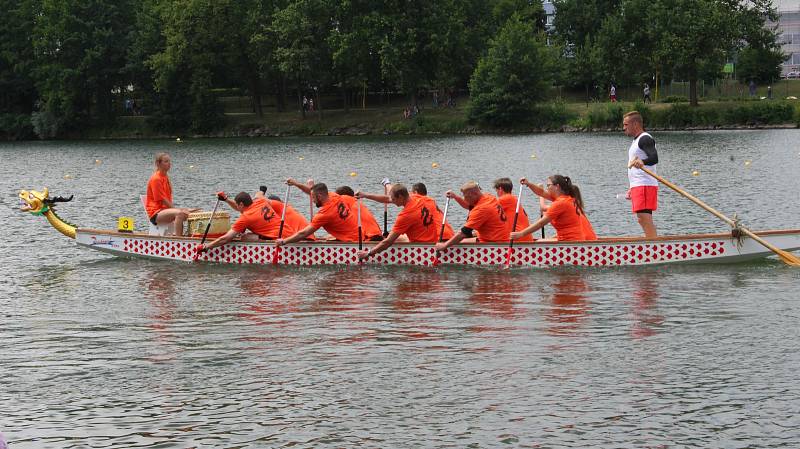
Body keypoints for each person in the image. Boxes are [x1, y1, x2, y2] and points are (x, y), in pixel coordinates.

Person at [357, 184, 455, 260]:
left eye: (394, 199)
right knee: (393, 237)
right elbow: (387, 198)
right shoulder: (421, 198)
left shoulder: (406, 215)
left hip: (422, 250)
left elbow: (388, 242)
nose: (392, 201)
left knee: (388, 238)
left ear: (400, 197)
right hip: (433, 240)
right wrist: (365, 195)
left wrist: (368, 253)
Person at [195, 190, 302, 254]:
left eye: (237, 205)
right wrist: (226, 199)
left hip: (281, 240)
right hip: (292, 234)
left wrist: (206, 247)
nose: (236, 208)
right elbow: (259, 193)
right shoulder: (261, 201)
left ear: (241, 204)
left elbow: (225, 238)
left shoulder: (245, 218)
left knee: (244, 237)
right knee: (248, 233)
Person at [276, 181, 382, 246]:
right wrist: (296, 183)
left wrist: (283, 242)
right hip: (360, 236)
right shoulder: (333, 196)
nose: (312, 200)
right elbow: (311, 191)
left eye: (313, 198)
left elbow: (304, 233)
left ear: (320, 197)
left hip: (353, 243)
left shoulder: (324, 214)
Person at [511, 175, 597, 242]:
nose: (547, 188)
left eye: (548, 185)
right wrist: (528, 184)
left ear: (557, 186)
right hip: (572, 240)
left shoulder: (560, 203)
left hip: (570, 243)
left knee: (540, 242)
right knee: (541, 241)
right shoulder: (566, 198)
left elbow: (540, 223)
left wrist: (521, 234)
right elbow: (541, 192)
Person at [434, 181, 509, 252]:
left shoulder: (481, 209)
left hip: (495, 242)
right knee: (456, 238)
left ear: (474, 194)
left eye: (466, 196)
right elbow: (469, 206)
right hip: (501, 236)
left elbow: (463, 233)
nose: (465, 199)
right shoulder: (488, 197)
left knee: (457, 241)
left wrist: (444, 246)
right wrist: (455, 197)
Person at [622, 111, 659, 238]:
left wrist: (642, 161)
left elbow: (654, 157)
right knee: (642, 219)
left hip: (645, 186)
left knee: (644, 219)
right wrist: (632, 187)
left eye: (626, 125)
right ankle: (652, 244)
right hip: (639, 186)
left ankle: (654, 249)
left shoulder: (645, 138)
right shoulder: (636, 141)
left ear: (636, 124)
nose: (624, 128)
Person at [145, 152, 198, 235]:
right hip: (155, 214)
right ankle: (179, 240)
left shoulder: (165, 176)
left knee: (195, 211)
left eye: (169, 161)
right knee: (180, 214)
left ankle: (190, 236)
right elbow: (163, 200)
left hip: (165, 210)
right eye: (166, 161)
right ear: (158, 164)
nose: (169, 164)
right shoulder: (156, 179)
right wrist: (178, 210)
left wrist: (183, 210)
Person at [492, 177, 533, 242]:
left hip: (518, 239)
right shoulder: (513, 199)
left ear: (500, 189)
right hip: (524, 238)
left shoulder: (505, 199)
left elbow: (486, 209)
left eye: (496, 190)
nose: (496, 193)